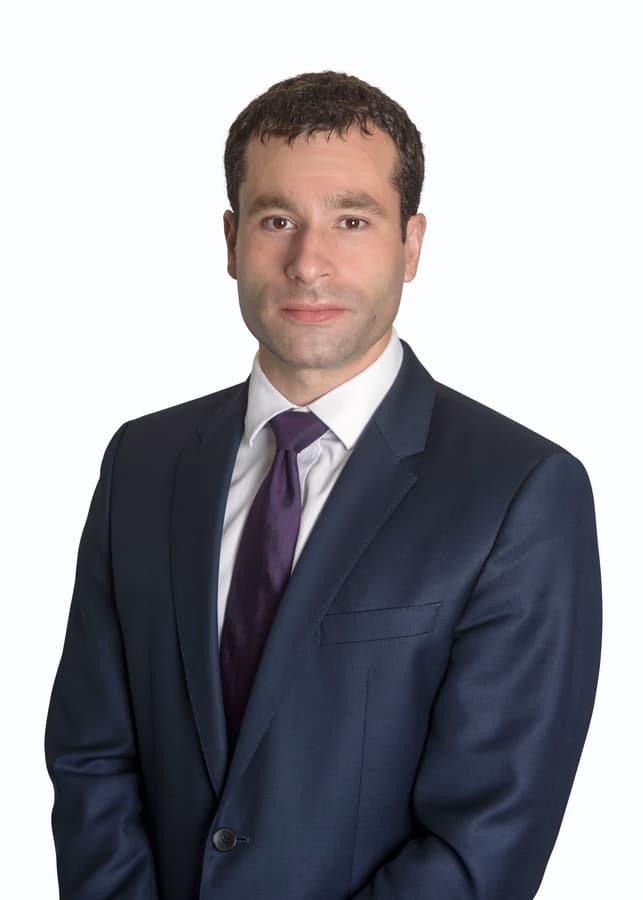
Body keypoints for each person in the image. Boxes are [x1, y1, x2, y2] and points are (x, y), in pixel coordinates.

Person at [45, 71, 602, 900]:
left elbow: (484, 840)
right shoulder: (143, 462)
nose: (309, 263)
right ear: (230, 239)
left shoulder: (519, 492)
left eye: (350, 220)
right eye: (277, 221)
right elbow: (93, 757)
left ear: (410, 245)